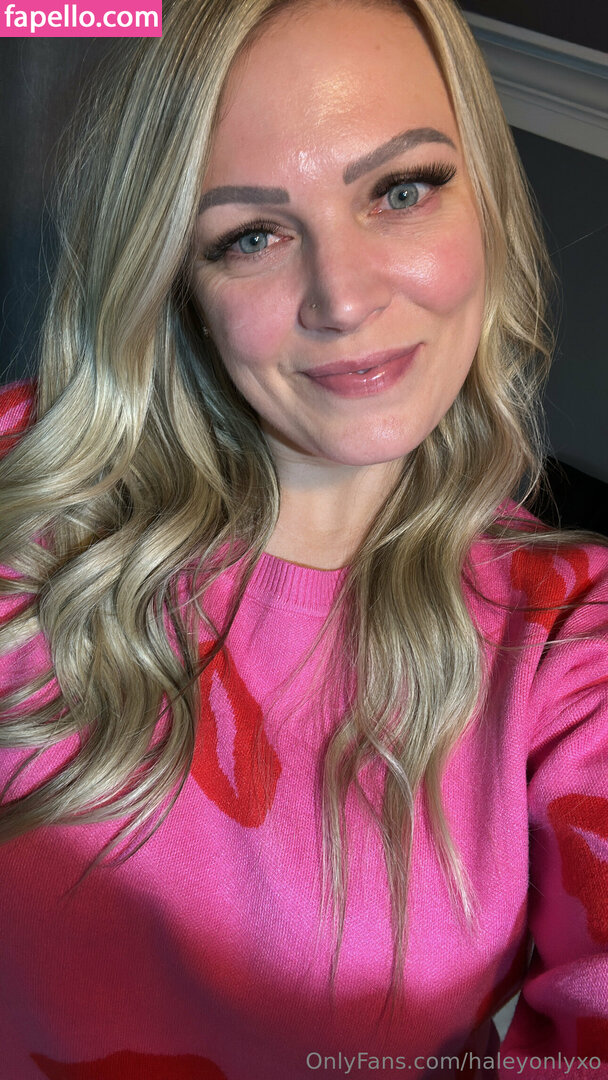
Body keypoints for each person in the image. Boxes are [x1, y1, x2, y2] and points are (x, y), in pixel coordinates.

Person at [0, 0, 607, 1076]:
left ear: (486, 200)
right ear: (180, 281)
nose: (343, 298)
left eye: (400, 190)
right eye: (252, 236)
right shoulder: (23, 487)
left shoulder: (567, 642)